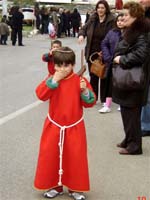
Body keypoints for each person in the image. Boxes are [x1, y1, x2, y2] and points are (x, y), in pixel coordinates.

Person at [34, 47, 96, 200]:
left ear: (73, 65)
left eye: (66, 65)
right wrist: (54, 80)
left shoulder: (80, 81)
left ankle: (75, 188)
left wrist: (84, 92)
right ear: (54, 65)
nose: (62, 69)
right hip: (53, 125)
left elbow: (90, 102)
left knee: (75, 157)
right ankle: (55, 186)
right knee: (51, 155)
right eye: (58, 65)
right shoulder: (51, 79)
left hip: (74, 126)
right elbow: (41, 95)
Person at [112, 1, 150, 155]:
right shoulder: (132, 29)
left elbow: (142, 54)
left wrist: (122, 60)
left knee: (132, 113)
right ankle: (129, 139)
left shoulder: (142, 31)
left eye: (126, 14)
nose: (123, 17)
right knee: (126, 111)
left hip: (134, 78)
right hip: (128, 77)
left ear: (135, 16)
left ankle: (135, 146)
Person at [78, 0, 115, 104]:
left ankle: (104, 100)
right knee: (93, 75)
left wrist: (107, 50)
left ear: (106, 9)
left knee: (104, 76)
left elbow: (114, 36)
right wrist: (81, 35)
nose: (100, 10)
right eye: (98, 8)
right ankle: (93, 98)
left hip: (105, 52)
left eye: (102, 8)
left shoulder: (112, 20)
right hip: (92, 52)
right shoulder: (92, 18)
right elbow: (83, 29)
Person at [99, 13, 124, 113]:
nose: (120, 22)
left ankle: (122, 104)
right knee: (109, 84)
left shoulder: (129, 32)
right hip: (111, 62)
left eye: (122, 20)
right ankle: (107, 105)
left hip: (123, 62)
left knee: (122, 84)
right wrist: (107, 56)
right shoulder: (112, 32)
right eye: (118, 20)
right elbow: (104, 43)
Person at [138, 0, 150, 137]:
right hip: (144, 62)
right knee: (146, 96)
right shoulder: (141, 14)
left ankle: (146, 124)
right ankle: (145, 124)